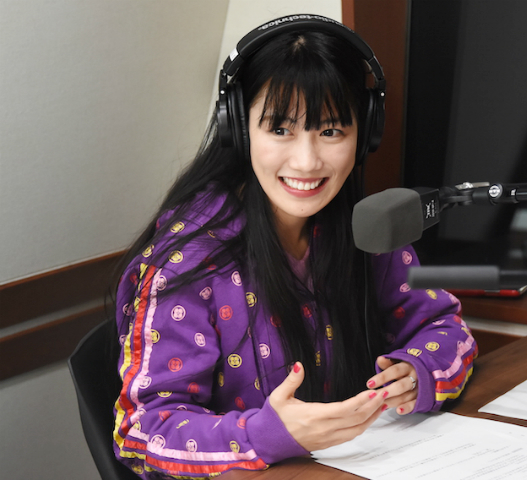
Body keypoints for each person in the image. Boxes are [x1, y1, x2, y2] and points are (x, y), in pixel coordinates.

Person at [112, 14, 477, 479]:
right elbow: (142, 432)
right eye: (280, 129)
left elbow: (445, 327)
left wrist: (418, 371)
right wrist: (263, 434)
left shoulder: (366, 230)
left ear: (365, 132)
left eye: (331, 131)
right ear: (238, 128)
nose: (306, 162)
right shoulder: (186, 263)